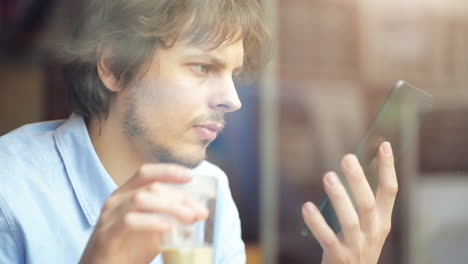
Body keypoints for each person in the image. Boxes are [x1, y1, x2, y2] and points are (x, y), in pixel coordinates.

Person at [0, 0, 398, 263]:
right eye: (203, 67)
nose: (232, 99)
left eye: (234, 73)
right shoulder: (11, 190)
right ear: (114, 68)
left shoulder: (209, 188)